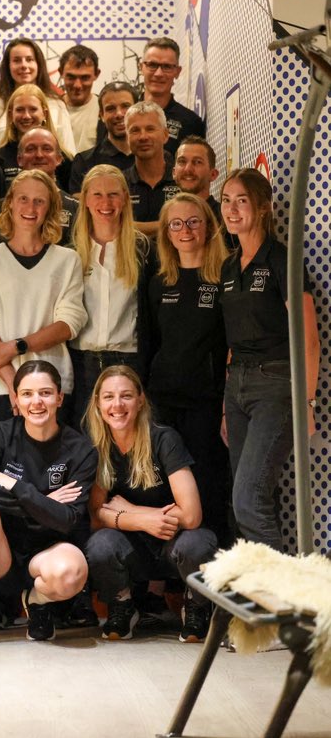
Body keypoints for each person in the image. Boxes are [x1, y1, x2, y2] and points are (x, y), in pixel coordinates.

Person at [0, 361, 97, 650]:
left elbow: (68, 518)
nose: (37, 402)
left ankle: (37, 602)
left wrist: (19, 488)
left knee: (72, 571)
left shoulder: (80, 450)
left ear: (59, 398)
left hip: (47, 553)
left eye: (45, 393)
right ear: (16, 400)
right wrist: (45, 503)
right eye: (28, 394)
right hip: (1, 554)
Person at [220, 168, 320, 549]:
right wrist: (225, 407)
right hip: (237, 386)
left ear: (262, 208)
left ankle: (278, 600)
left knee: (248, 500)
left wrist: (306, 402)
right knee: (246, 499)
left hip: (276, 385)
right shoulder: (229, 266)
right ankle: (253, 594)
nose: (231, 209)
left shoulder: (281, 259)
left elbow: (308, 339)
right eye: (226, 201)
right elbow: (233, 339)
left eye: (241, 200)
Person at [85, 366, 218, 642]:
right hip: (135, 549)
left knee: (198, 542)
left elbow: (192, 515)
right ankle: (123, 605)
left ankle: (196, 605)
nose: (117, 405)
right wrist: (139, 519)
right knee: (100, 544)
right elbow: (95, 516)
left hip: (174, 542)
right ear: (98, 403)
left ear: (140, 400)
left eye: (126, 396)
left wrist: (129, 510)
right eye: (108, 397)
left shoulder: (163, 438)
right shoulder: (99, 446)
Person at [0, 169, 87, 427]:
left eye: (39, 201)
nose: (30, 207)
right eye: (23, 198)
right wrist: (16, 386)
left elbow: (68, 324)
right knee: (6, 467)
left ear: (50, 208)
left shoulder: (67, 260)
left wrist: (16, 346)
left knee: (53, 466)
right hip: (2, 387)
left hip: (53, 385)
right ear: (10, 202)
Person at [148, 193, 230, 543]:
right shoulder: (158, 282)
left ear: (209, 227)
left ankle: (209, 566)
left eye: (194, 221)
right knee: (164, 485)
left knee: (207, 482)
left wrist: (226, 403)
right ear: (166, 232)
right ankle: (167, 575)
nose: (185, 230)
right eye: (176, 224)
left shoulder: (225, 278)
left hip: (206, 402)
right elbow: (150, 343)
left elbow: (231, 347)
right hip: (163, 401)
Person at [69, 165, 153, 428]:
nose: (106, 203)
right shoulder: (70, 252)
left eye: (113, 194)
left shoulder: (143, 249)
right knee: (85, 446)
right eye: (97, 195)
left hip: (129, 361)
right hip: (82, 364)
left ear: (126, 198)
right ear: (84, 199)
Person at [0, 38, 75, 157]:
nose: (23, 65)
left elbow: (69, 153)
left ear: (38, 64)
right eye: (17, 60)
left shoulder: (56, 105)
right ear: (8, 66)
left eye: (29, 59)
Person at [0, 128, 79, 243]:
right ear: (19, 159)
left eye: (47, 149)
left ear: (59, 159)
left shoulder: (76, 208)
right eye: (31, 149)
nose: (39, 155)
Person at [139, 37, 205, 155]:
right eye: (152, 65)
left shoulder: (190, 123)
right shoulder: (124, 113)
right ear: (141, 68)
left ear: (177, 71)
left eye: (167, 67)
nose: (158, 73)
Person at [69, 82, 137, 194]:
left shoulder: (154, 157)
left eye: (125, 106)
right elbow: (79, 208)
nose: (119, 114)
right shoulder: (84, 162)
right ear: (101, 115)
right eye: (111, 109)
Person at [124, 101, 179, 237]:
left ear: (165, 135)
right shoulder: (119, 184)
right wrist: (170, 224)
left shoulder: (182, 179)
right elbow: (117, 228)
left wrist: (133, 227)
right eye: (135, 130)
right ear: (127, 138)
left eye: (150, 129)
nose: (143, 137)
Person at [0, 83, 59, 188]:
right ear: (11, 114)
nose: (26, 116)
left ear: (45, 113)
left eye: (33, 109)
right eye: (20, 110)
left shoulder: (63, 160)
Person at [59, 44, 101, 153]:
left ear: (96, 74)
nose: (77, 85)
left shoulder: (105, 111)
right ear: (60, 73)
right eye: (71, 77)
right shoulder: (49, 109)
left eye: (85, 78)